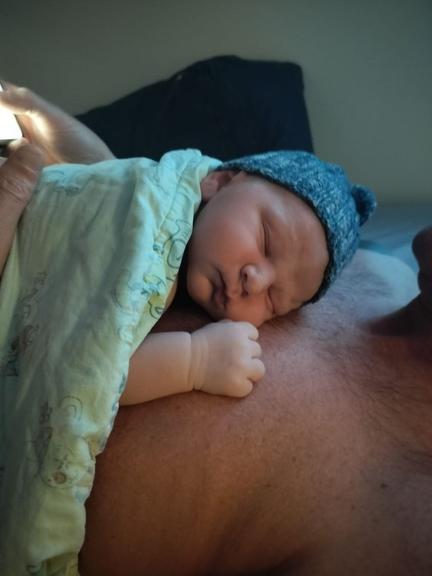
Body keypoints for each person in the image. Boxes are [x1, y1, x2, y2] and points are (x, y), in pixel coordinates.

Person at [0, 85, 375, 405]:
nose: (256, 281)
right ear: (220, 182)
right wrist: (37, 111)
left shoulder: (157, 286)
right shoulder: (158, 196)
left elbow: (86, 370)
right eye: (265, 239)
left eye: (274, 300)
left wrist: (194, 361)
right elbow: (104, 168)